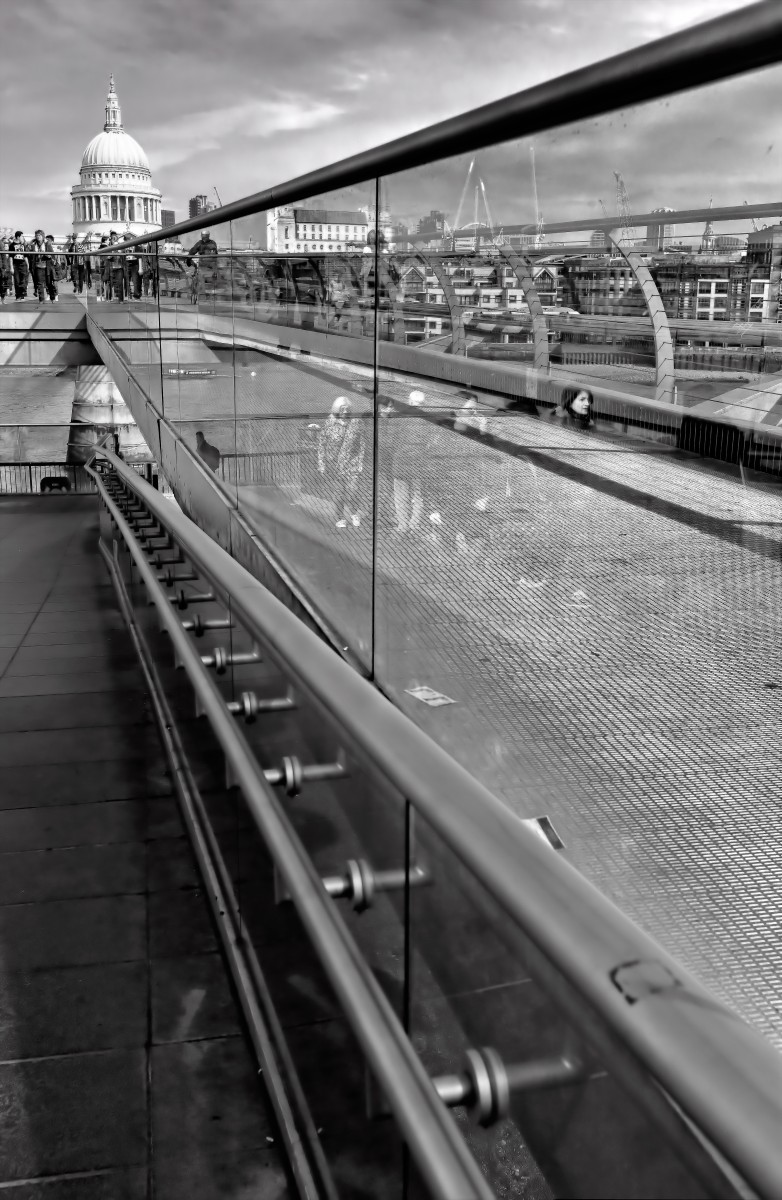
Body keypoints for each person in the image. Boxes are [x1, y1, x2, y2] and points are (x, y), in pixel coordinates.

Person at [387, 389, 432, 535]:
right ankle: (414, 525)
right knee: (417, 495)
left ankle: (402, 526)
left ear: (410, 401)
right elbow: (430, 442)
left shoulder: (400, 416)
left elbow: (390, 438)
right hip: (419, 462)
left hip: (401, 460)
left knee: (400, 495)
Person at [317, 396, 365, 529]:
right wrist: (321, 463)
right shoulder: (330, 422)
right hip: (335, 465)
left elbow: (362, 443)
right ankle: (340, 517)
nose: (344, 411)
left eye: (347, 409)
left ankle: (355, 513)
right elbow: (322, 444)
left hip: (352, 464)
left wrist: (360, 462)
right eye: (342, 409)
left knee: (353, 491)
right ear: (337, 409)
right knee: (338, 493)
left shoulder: (356, 422)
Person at [27, 230, 57, 304]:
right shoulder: (33, 245)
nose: (38, 237)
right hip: (38, 266)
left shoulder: (47, 244)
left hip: (47, 266)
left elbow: (52, 255)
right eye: (37, 235)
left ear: (43, 236)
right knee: (39, 283)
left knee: (49, 283)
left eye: (39, 235)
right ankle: (41, 299)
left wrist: (48, 256)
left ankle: (52, 297)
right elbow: (29, 255)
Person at [9, 232, 29, 300]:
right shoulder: (12, 245)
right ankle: (18, 296)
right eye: (21, 236)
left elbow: (25, 256)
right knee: (17, 281)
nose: (22, 238)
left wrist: (28, 265)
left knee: (23, 281)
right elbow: (10, 257)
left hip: (23, 264)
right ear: (18, 237)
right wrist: (11, 267)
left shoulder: (23, 245)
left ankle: (22, 294)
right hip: (16, 264)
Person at [107, 230, 125, 302]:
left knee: (120, 283)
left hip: (119, 267)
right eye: (112, 237)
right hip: (112, 266)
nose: (114, 238)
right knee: (111, 283)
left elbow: (123, 253)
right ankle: (110, 297)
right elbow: (107, 257)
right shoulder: (109, 246)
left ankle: (121, 299)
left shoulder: (120, 245)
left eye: (115, 237)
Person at [123, 233, 141, 300]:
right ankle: (128, 294)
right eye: (127, 239)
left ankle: (136, 295)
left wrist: (140, 267)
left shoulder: (137, 247)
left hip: (134, 263)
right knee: (127, 279)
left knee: (135, 280)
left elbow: (139, 257)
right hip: (127, 263)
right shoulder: (124, 247)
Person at [0, 239, 11, 304]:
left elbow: (3, 256)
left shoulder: (0, 243)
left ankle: (2, 298)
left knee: (2, 283)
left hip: (0, 267)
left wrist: (4, 267)